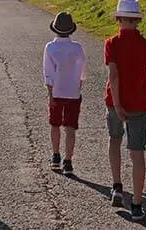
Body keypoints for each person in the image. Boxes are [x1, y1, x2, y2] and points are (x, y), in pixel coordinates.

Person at [104, 0, 146, 222]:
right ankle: (136, 204)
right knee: (137, 154)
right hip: (138, 104)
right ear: (137, 21)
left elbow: (113, 76)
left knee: (115, 140)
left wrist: (117, 103)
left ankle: (117, 186)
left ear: (118, 19)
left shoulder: (111, 43)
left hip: (114, 103)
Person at [43, 11, 86, 176]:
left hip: (56, 92)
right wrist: (78, 85)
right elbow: (82, 71)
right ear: (71, 30)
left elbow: (48, 73)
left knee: (55, 124)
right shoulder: (77, 48)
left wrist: (50, 93)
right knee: (70, 127)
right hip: (73, 92)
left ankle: (55, 155)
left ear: (55, 29)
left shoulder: (50, 47)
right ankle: (68, 161)